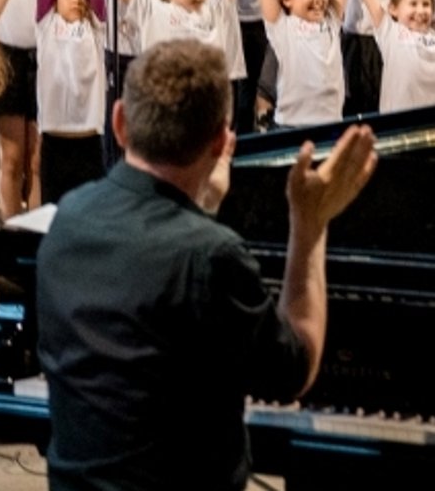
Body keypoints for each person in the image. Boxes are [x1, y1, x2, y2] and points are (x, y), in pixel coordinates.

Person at [36, 40, 378, 490]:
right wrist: (309, 226)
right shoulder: (213, 254)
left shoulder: (68, 220)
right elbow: (294, 371)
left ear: (119, 123)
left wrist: (205, 205)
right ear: (221, 141)